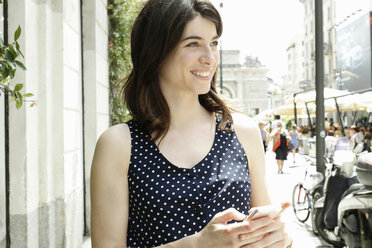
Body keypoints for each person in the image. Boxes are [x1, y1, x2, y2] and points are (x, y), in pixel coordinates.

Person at [90, 0, 292, 247]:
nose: (209, 58)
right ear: (155, 51)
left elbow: (264, 229)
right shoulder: (119, 144)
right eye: (193, 44)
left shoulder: (242, 131)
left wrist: (280, 238)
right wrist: (196, 245)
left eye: (214, 43)